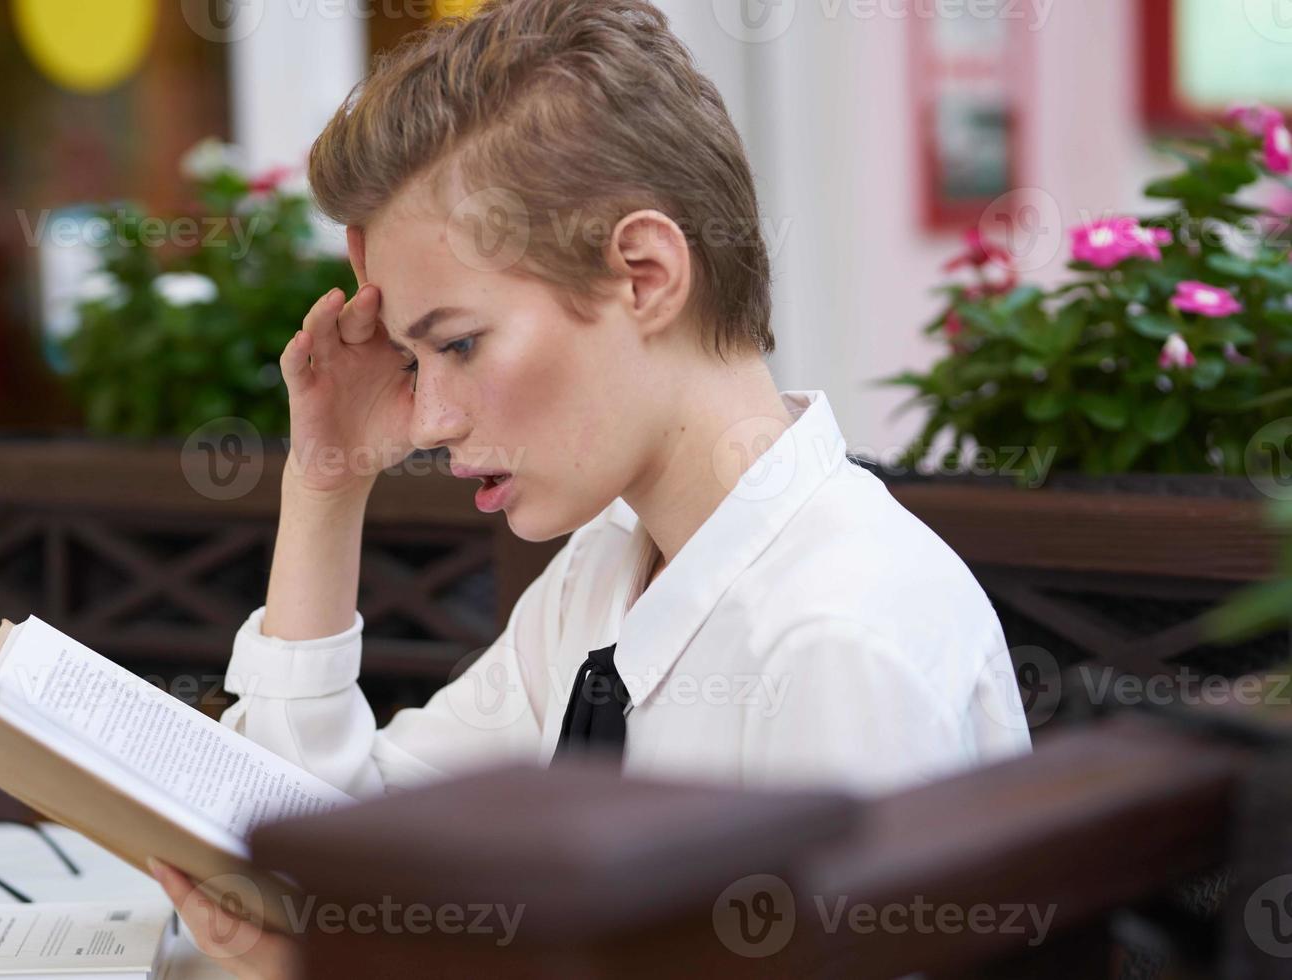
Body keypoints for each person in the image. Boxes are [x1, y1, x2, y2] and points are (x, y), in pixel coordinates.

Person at [150, 0, 1032, 972]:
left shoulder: (838, 637)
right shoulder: (607, 577)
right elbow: (317, 847)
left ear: (644, 275)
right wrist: (327, 484)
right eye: (413, 359)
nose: (432, 419)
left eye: (459, 342)